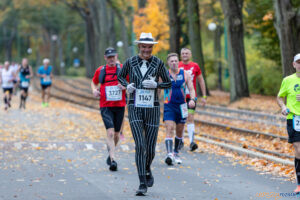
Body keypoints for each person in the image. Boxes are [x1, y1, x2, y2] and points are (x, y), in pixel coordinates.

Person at [118, 32, 171, 196]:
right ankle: (142, 183)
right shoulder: (130, 62)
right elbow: (120, 77)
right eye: (144, 47)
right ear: (139, 46)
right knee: (140, 145)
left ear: (152, 47)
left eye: (149, 47)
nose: (147, 50)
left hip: (153, 108)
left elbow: (169, 82)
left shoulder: (158, 63)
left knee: (151, 149)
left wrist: (157, 84)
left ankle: (147, 167)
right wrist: (127, 86)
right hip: (134, 107)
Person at [91, 47, 126, 171]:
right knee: (110, 132)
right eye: (109, 57)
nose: (111, 59)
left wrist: (124, 86)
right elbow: (94, 82)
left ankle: (111, 152)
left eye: (113, 57)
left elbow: (130, 83)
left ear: (116, 56)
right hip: (105, 106)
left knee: (116, 134)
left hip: (120, 105)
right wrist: (94, 90)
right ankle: (113, 160)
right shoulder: (101, 70)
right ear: (105, 58)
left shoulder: (122, 68)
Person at [163, 53, 195, 165]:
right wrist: (155, 102)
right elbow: (157, 89)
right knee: (169, 128)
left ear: (178, 61)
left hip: (182, 106)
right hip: (169, 105)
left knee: (180, 131)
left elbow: (191, 88)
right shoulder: (164, 74)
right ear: (168, 63)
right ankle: (169, 154)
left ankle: (176, 153)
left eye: (176, 60)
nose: (174, 63)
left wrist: (192, 99)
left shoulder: (185, 73)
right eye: (171, 61)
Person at [277, 53, 300, 193]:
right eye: (298, 62)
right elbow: (279, 97)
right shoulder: (287, 80)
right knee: (298, 148)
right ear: (294, 64)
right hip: (294, 118)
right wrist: (283, 107)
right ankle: (299, 183)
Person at [179, 48, 207, 151]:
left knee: (190, 117)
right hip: (180, 97)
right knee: (182, 118)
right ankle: (180, 140)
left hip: (191, 97)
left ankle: (191, 142)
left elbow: (201, 80)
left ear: (190, 55)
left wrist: (204, 96)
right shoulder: (177, 65)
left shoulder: (195, 66)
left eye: (186, 53)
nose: (185, 55)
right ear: (181, 55)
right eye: (183, 53)